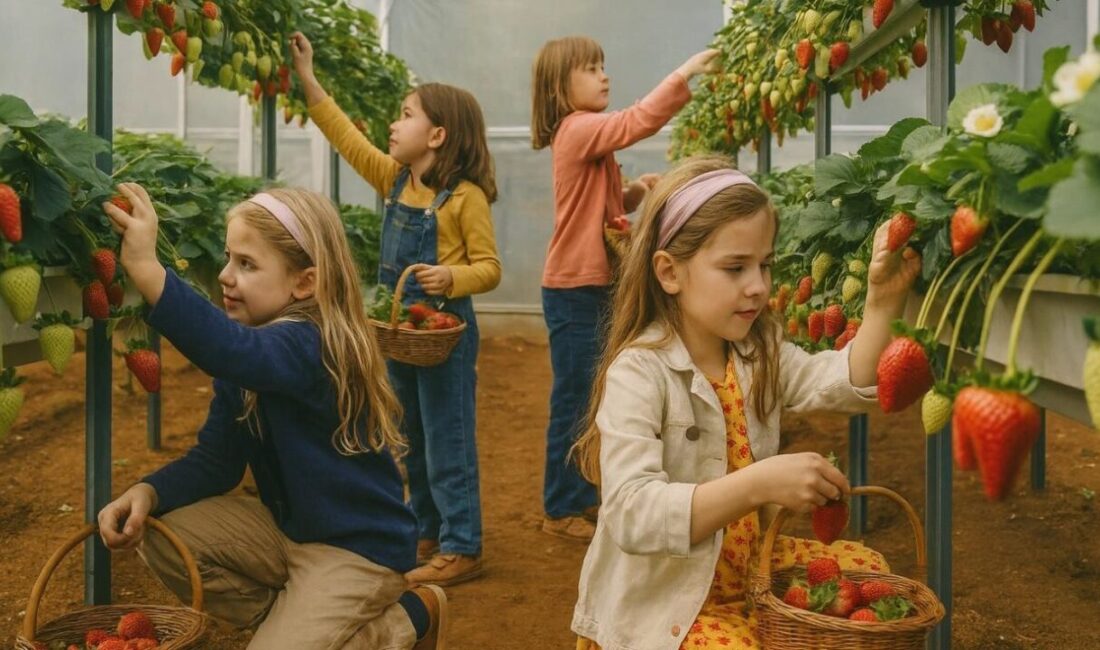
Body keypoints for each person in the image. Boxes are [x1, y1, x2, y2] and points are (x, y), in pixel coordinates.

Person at [570, 155, 922, 649]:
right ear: (669, 272)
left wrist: (883, 301)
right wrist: (757, 483)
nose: (758, 286)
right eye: (735, 267)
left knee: (871, 572)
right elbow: (632, 513)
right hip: (671, 601)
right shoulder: (640, 373)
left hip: (748, 566)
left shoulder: (759, 353)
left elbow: (845, 382)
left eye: (764, 265)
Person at [98, 183, 446, 649]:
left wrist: (146, 268)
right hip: (287, 533)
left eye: (247, 264)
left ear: (304, 282)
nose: (225, 275)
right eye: (229, 258)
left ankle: (405, 619)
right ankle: (300, 626)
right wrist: (148, 491)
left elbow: (234, 352)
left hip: (356, 551)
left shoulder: (310, 343)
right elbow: (217, 462)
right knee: (161, 533)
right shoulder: (251, 351)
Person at [292, 32, 501, 586]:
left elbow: (489, 267)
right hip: (397, 334)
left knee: (448, 437)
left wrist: (451, 276)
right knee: (410, 434)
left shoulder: (465, 197)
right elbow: (345, 137)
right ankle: (427, 530)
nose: (393, 124)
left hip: (446, 335)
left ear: (437, 135)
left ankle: (463, 544)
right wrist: (308, 78)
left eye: (406, 115)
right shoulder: (394, 179)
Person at [530, 36, 719, 541]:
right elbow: (636, 121)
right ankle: (560, 506)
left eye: (603, 66)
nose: (604, 76)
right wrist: (683, 72)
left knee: (592, 392)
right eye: (591, 69)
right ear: (559, 87)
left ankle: (579, 495)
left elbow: (598, 204)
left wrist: (633, 193)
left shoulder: (585, 137)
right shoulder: (577, 128)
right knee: (575, 398)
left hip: (591, 285)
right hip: (574, 289)